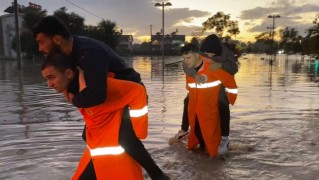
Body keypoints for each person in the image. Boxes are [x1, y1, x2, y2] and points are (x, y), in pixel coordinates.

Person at [33, 16, 169, 180]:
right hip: (108, 98)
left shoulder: (88, 53)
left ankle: (158, 176)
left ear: (56, 39)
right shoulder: (67, 53)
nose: (40, 48)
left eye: (41, 42)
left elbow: (97, 96)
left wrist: (73, 99)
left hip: (127, 96)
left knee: (124, 137)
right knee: (87, 135)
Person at [42, 52, 153, 179]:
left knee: (127, 141)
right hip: (98, 147)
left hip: (117, 142)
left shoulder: (99, 85)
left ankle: (158, 175)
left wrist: (139, 130)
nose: (49, 85)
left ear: (68, 74)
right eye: (47, 79)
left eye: (51, 78)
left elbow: (138, 91)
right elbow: (91, 112)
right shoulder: (68, 89)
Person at [169, 34, 238, 155]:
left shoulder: (227, 53)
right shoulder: (198, 52)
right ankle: (184, 130)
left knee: (222, 103)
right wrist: (194, 75)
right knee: (188, 100)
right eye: (207, 53)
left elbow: (234, 68)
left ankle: (224, 138)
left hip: (220, 81)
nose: (209, 56)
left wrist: (220, 65)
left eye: (213, 54)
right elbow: (186, 64)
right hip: (202, 81)